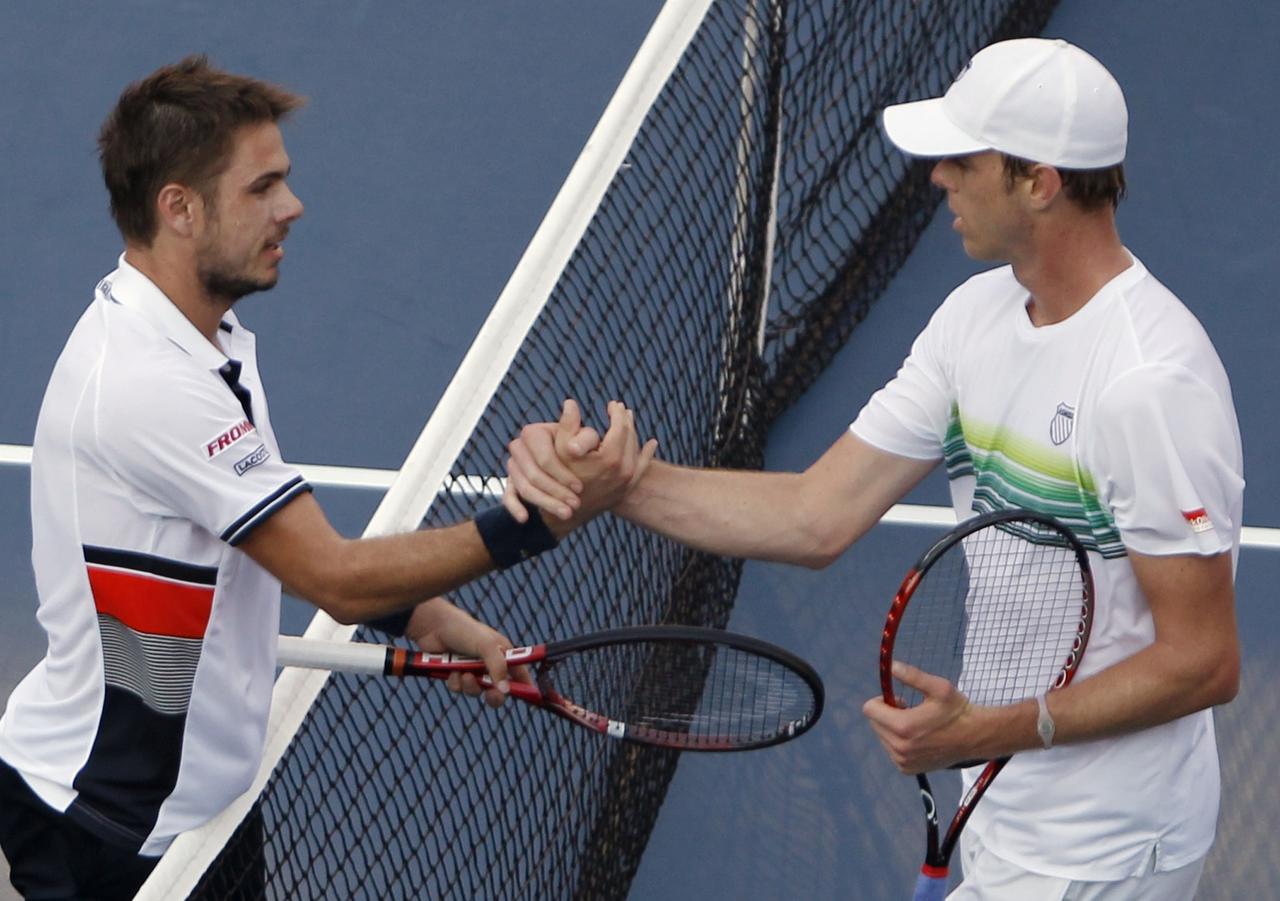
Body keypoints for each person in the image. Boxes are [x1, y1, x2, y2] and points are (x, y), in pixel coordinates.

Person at [502, 38, 1243, 900]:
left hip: (1108, 848)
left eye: (962, 160)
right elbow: (819, 513)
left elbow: (1204, 661)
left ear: (1039, 181)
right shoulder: (975, 319)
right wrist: (622, 488)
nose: (937, 178)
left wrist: (988, 728)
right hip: (1009, 806)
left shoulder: (1148, 385)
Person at [0, 56, 649, 901]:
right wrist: (536, 521)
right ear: (179, 208)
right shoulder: (148, 386)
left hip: (200, 808)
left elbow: (263, 547)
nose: (291, 207)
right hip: (112, 828)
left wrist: (427, 615)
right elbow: (333, 579)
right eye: (262, 187)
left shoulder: (205, 339)